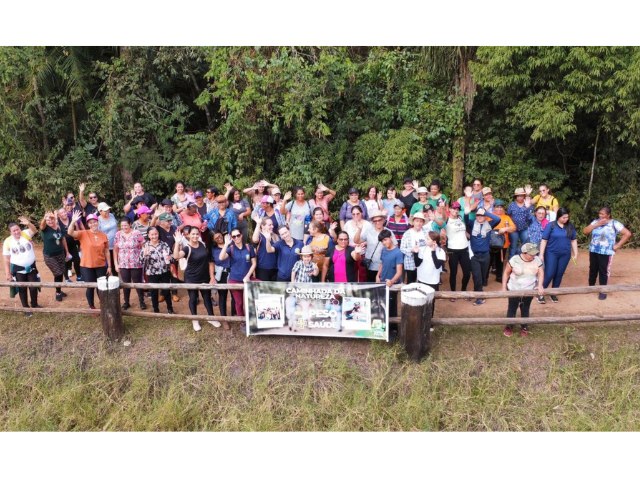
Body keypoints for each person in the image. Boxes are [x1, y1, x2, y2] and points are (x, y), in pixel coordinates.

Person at [173, 228, 219, 331]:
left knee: (207, 297)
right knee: (193, 298)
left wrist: (211, 276)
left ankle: (211, 318)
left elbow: (209, 261)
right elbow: (176, 256)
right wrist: (177, 243)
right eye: (193, 234)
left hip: (204, 276)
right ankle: (195, 319)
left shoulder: (203, 245)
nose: (195, 236)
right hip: (191, 278)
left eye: (197, 234)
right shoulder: (186, 248)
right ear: (188, 235)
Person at [583, 206, 633, 300]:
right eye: (599, 213)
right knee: (593, 269)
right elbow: (585, 231)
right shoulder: (595, 222)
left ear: (608, 215)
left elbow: (627, 234)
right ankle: (591, 287)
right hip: (593, 250)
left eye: (602, 214)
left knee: (603, 271)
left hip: (606, 252)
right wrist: (596, 225)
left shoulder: (614, 223)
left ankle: (603, 290)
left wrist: (618, 245)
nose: (600, 215)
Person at [67, 211, 111, 309]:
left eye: (94, 221)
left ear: (98, 222)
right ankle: (92, 306)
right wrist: (73, 221)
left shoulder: (103, 235)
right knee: (90, 287)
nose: (93, 224)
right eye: (90, 222)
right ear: (88, 224)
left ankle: (103, 304)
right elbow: (70, 232)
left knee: (101, 287)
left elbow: (107, 251)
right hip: (87, 266)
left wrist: (110, 266)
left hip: (101, 265)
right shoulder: (83, 233)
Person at [502, 242, 545, 337]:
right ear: (524, 253)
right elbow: (506, 273)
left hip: (529, 290)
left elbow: (541, 273)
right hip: (514, 289)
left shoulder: (537, 260)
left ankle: (524, 326)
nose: (534, 256)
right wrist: (504, 287)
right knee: (512, 309)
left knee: (525, 309)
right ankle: (509, 326)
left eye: (535, 253)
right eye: (531, 254)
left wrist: (540, 285)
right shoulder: (514, 260)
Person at [538, 207, 578, 304]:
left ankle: (553, 293)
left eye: (567, 217)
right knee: (550, 273)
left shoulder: (570, 226)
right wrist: (541, 254)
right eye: (563, 217)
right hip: (551, 253)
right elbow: (544, 240)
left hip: (565, 254)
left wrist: (576, 253)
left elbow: (573, 240)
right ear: (558, 216)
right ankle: (541, 293)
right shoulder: (551, 225)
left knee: (559, 274)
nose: (566, 219)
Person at [3, 216, 41, 315]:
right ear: (10, 232)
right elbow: (6, 259)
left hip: (31, 267)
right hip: (18, 270)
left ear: (20, 229)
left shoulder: (26, 233)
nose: (16, 232)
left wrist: (28, 223)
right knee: (22, 289)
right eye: (14, 231)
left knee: (33, 286)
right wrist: (8, 273)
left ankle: (34, 304)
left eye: (17, 229)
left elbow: (35, 230)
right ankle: (26, 309)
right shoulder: (8, 241)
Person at [465, 207, 501, 305]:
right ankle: (479, 298)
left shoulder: (489, 224)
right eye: (478, 215)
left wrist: (486, 212)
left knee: (482, 277)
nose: (480, 217)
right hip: (474, 256)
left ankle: (477, 293)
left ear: (485, 216)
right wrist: (467, 212)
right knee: (477, 276)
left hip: (485, 255)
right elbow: (466, 219)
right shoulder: (472, 223)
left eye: (482, 215)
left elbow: (498, 219)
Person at [218, 228, 257, 317]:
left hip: (248, 278)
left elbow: (254, 263)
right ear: (232, 238)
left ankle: (253, 318)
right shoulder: (231, 249)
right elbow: (221, 257)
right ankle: (241, 321)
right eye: (234, 236)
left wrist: (247, 276)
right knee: (239, 303)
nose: (236, 238)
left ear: (241, 235)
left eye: (238, 235)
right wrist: (226, 245)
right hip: (234, 279)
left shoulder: (248, 247)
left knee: (252, 299)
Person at [114, 217, 146, 311]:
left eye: (126, 225)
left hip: (136, 263)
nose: (124, 227)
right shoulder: (118, 234)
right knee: (125, 283)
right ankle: (126, 302)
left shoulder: (137, 233)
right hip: (123, 263)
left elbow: (144, 245)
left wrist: (143, 255)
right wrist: (116, 264)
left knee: (137, 283)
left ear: (130, 224)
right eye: (122, 225)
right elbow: (115, 250)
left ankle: (141, 301)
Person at [140, 227, 174, 314]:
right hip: (152, 273)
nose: (154, 236)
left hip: (164, 271)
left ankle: (170, 308)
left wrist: (169, 258)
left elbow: (171, 257)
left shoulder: (164, 244)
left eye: (156, 234)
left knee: (166, 290)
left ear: (158, 234)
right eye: (152, 234)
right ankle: (156, 309)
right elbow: (141, 262)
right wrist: (145, 255)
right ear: (148, 235)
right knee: (153, 292)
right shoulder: (145, 246)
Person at [356, 210, 396, 282]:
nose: (377, 222)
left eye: (379, 220)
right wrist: (359, 229)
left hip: (384, 266)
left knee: (383, 289)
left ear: (383, 220)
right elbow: (357, 241)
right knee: (371, 288)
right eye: (375, 221)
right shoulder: (369, 231)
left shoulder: (389, 232)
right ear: (372, 222)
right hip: (371, 265)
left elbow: (395, 247)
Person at [39, 211, 71, 302]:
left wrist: (67, 251)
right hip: (49, 256)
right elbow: (41, 225)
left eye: (51, 219)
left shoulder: (58, 227)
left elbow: (63, 239)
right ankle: (58, 293)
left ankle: (59, 290)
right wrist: (45, 217)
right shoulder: (45, 229)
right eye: (48, 220)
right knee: (58, 273)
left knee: (61, 272)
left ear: (55, 219)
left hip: (60, 254)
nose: (50, 221)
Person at [414, 230, 446, 316]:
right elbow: (417, 264)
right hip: (421, 279)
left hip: (432, 280)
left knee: (431, 302)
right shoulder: (422, 249)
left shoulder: (440, 252)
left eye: (428, 239)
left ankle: (430, 322)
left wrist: (433, 252)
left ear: (434, 241)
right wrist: (415, 254)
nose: (425, 240)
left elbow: (437, 266)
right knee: (421, 300)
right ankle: (421, 319)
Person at [444, 201, 471, 299]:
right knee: (453, 272)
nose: (456, 210)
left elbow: (465, 231)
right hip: (453, 249)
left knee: (467, 272)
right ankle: (453, 293)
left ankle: (463, 290)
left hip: (464, 248)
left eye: (457, 209)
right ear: (450, 209)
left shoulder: (460, 218)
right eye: (454, 208)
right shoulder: (446, 220)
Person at [377, 229, 404, 317]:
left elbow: (399, 272)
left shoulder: (398, 253)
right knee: (382, 304)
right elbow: (382, 263)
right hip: (382, 282)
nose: (384, 243)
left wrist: (391, 281)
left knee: (392, 306)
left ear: (391, 238)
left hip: (392, 284)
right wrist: (378, 275)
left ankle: (393, 328)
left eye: (385, 240)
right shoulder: (383, 250)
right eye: (382, 241)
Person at [487, 200, 516, 284]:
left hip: (502, 244)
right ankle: (485, 278)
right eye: (497, 207)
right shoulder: (490, 216)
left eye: (501, 207)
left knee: (500, 261)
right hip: (491, 243)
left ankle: (499, 277)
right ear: (494, 207)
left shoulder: (506, 217)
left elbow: (513, 228)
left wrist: (505, 229)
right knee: (489, 261)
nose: (499, 209)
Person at [342, 205, 371, 282]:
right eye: (353, 214)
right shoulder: (348, 224)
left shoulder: (367, 224)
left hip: (363, 252)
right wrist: (348, 245)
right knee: (350, 273)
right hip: (350, 252)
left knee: (362, 275)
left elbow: (371, 239)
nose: (355, 215)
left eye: (357, 213)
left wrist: (364, 243)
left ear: (361, 213)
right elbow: (343, 237)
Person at [399, 211, 429, 284]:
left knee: (423, 281)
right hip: (410, 261)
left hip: (424, 260)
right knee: (411, 282)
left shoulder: (426, 232)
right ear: (413, 222)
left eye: (421, 221)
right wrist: (411, 250)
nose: (419, 223)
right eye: (417, 221)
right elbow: (402, 248)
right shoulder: (407, 233)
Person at [210, 231, 234, 317]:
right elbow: (212, 263)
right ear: (213, 240)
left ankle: (234, 315)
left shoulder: (231, 244)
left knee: (234, 296)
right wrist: (212, 276)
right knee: (222, 296)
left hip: (232, 272)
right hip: (221, 274)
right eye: (216, 238)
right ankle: (224, 318)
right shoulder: (213, 250)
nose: (219, 238)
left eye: (219, 236)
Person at [506, 187, 533, 258]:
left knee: (527, 245)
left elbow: (530, 218)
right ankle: (511, 264)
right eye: (518, 196)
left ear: (524, 196)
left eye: (521, 195)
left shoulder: (528, 204)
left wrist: (527, 207)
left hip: (524, 228)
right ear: (516, 197)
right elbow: (508, 216)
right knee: (513, 246)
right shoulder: (512, 205)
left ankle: (528, 261)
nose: (520, 197)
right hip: (513, 229)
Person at [58, 206, 82, 281]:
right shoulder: (58, 222)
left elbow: (77, 229)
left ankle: (79, 276)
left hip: (73, 243)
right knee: (66, 261)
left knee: (77, 260)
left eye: (64, 212)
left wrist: (78, 236)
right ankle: (67, 278)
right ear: (59, 215)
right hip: (63, 246)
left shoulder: (71, 219)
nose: (64, 213)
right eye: (61, 213)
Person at [252, 217, 278, 281]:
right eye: (269, 225)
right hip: (262, 269)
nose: (272, 226)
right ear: (263, 226)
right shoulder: (260, 236)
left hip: (275, 268)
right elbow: (255, 239)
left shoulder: (275, 236)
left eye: (272, 224)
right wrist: (258, 224)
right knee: (263, 290)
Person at [97, 202, 118, 270]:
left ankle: (115, 279)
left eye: (108, 209)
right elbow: (98, 234)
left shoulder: (111, 215)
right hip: (106, 247)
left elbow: (116, 227)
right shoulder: (98, 220)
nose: (108, 211)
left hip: (115, 245)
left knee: (116, 265)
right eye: (105, 211)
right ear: (100, 211)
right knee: (107, 266)